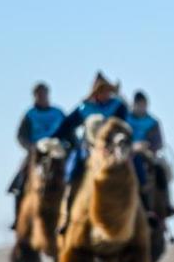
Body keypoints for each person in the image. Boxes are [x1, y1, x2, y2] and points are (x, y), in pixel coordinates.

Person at [54, 72, 130, 231]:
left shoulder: (118, 106)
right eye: (101, 90)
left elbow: (125, 126)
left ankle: (145, 210)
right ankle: (67, 215)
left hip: (112, 150)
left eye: (107, 90)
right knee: (73, 169)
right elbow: (66, 127)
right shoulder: (84, 107)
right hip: (87, 148)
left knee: (135, 167)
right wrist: (58, 140)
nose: (105, 93)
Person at [8, 82, 65, 228]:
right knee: (22, 178)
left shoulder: (58, 113)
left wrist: (67, 145)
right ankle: (18, 217)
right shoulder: (30, 114)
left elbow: (68, 132)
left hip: (57, 152)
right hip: (37, 153)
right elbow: (21, 136)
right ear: (35, 96)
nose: (42, 97)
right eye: (39, 94)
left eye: (44, 94)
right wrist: (31, 148)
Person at [127, 90, 174, 218]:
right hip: (127, 153)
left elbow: (159, 142)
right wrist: (132, 147)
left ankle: (167, 203)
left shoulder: (152, 122)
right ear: (133, 104)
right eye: (138, 104)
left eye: (143, 104)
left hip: (147, 154)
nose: (140, 107)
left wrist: (148, 147)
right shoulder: (125, 119)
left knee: (162, 169)